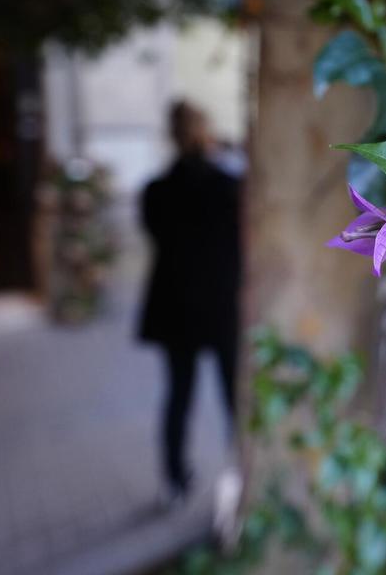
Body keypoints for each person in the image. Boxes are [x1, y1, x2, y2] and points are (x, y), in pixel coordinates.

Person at [138, 100, 242, 507]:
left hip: (175, 308)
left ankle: (174, 480)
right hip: (219, 308)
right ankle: (242, 473)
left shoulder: (155, 192)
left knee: (179, 396)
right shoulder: (229, 188)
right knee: (233, 397)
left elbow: (156, 238)